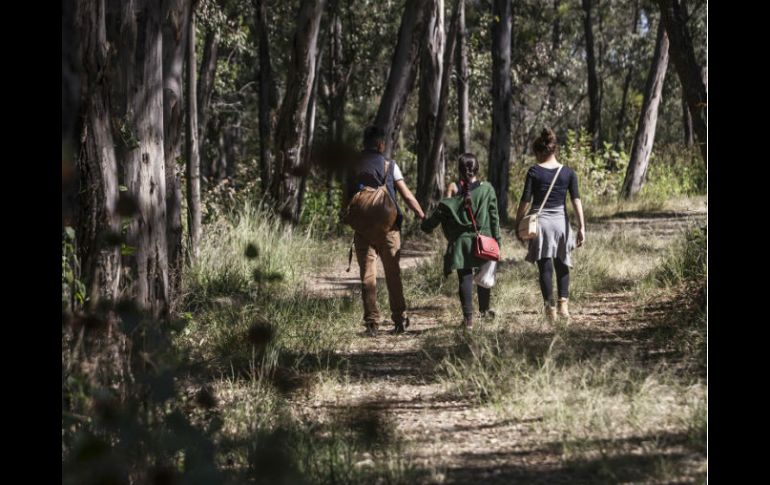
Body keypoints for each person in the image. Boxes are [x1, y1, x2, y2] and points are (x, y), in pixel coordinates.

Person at [350, 126, 425, 336]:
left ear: (364, 144)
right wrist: (421, 214)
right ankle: (399, 320)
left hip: (363, 229)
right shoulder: (389, 165)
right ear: (381, 144)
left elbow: (349, 198)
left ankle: (372, 323)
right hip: (388, 228)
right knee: (393, 275)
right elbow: (407, 195)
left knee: (367, 275)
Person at [421, 153, 501, 329]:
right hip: (484, 240)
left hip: (460, 244)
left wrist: (424, 222)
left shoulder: (451, 196)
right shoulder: (487, 189)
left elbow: (433, 221)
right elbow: (494, 218)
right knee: (484, 276)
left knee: (465, 279)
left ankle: (468, 320)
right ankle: (485, 312)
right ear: (477, 169)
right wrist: (498, 242)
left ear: (459, 170)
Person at [514, 128, 585, 322]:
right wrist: (582, 227)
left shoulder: (534, 171)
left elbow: (525, 200)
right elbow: (576, 201)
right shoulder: (568, 173)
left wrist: (518, 222)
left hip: (541, 225)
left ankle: (550, 311)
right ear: (555, 150)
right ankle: (564, 308)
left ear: (539, 152)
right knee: (562, 266)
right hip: (561, 224)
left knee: (545, 268)